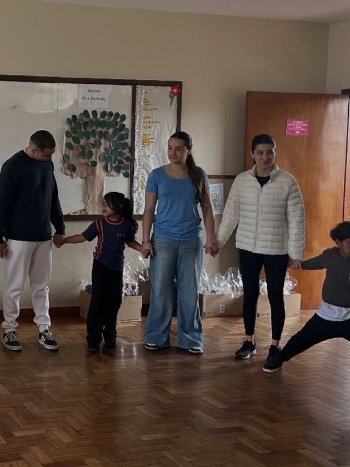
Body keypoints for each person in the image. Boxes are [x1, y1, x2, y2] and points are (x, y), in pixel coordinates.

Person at [215, 133, 305, 370]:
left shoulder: (288, 182)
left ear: (275, 152)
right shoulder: (242, 180)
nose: (265, 157)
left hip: (276, 249)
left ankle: (275, 346)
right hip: (248, 247)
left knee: (275, 296)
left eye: (270, 152)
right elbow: (231, 214)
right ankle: (249, 341)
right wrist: (218, 241)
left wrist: (296, 253)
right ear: (253, 154)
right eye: (260, 152)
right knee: (250, 294)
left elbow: (296, 220)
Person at [267, 221, 350, 373]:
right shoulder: (329, 255)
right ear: (338, 242)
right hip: (327, 316)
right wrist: (298, 264)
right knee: (300, 340)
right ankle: (278, 359)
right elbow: (315, 263)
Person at [141, 131, 216, 354]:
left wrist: (211, 239)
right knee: (160, 289)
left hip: (191, 240)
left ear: (188, 150)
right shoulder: (156, 175)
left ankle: (191, 339)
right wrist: (145, 240)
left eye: (178, 149)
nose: (172, 153)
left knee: (189, 290)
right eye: (170, 148)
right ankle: (156, 336)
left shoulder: (198, 174)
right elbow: (148, 210)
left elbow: (207, 209)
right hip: (163, 239)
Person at [0, 130, 65, 351]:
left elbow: (53, 197)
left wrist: (59, 228)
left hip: (43, 236)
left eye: (51, 155)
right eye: (46, 155)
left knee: (41, 286)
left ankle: (44, 329)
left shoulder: (47, 165)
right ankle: (9, 330)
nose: (49, 159)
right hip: (18, 237)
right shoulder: (12, 166)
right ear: (33, 150)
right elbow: (1, 202)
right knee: (14, 286)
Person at [59, 192, 143, 352]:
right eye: (103, 203)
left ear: (119, 206)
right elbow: (82, 237)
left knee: (114, 302)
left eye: (107, 204)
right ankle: (93, 339)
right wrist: (64, 240)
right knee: (98, 302)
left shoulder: (126, 225)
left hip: (117, 269)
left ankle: (110, 336)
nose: (103, 206)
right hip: (100, 267)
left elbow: (130, 241)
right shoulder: (99, 224)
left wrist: (142, 249)